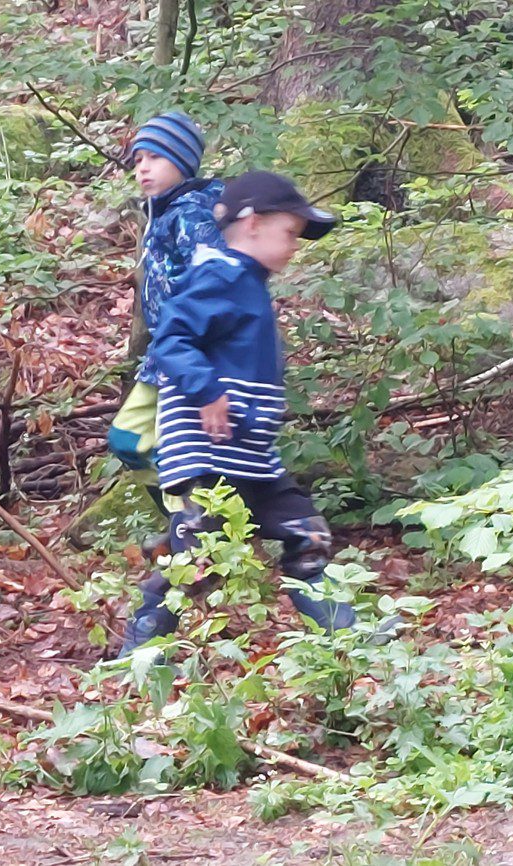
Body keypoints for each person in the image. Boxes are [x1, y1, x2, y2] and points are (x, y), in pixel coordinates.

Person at [118, 170, 359, 657]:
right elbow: (171, 340)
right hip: (208, 456)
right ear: (252, 223)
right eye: (289, 232)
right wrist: (206, 391)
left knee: (307, 534)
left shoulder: (248, 284)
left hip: (252, 458)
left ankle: (350, 637)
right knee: (197, 563)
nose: (294, 246)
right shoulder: (220, 275)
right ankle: (137, 655)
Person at [106, 111, 224, 518]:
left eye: (155, 157)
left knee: (180, 453)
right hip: (165, 355)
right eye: (138, 159)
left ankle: (193, 531)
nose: (143, 168)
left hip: (192, 354)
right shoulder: (163, 213)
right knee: (127, 439)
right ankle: (189, 519)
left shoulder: (193, 216)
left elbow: (214, 284)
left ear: (183, 162)